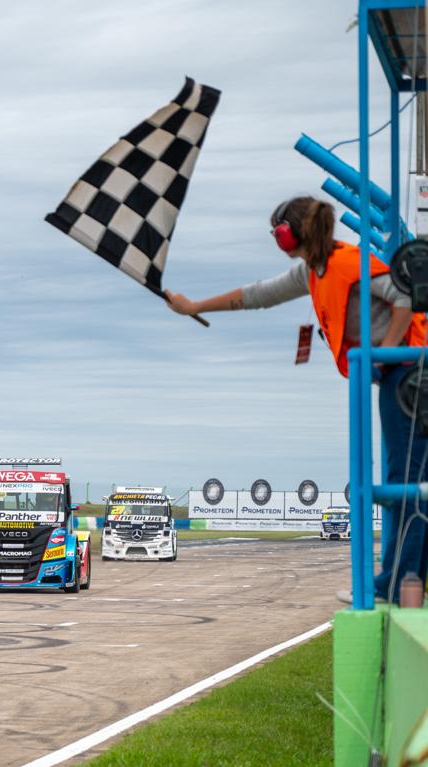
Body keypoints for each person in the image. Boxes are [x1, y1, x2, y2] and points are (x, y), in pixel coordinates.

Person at [165, 196, 428, 604]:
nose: (275, 237)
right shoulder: (315, 272)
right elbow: (258, 295)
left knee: (403, 481)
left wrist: (384, 352)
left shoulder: (347, 264)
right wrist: (195, 306)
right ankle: (404, 580)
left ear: (291, 233)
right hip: (402, 375)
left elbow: (405, 297)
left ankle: (396, 582)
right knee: (404, 480)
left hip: (410, 374)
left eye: (277, 230)